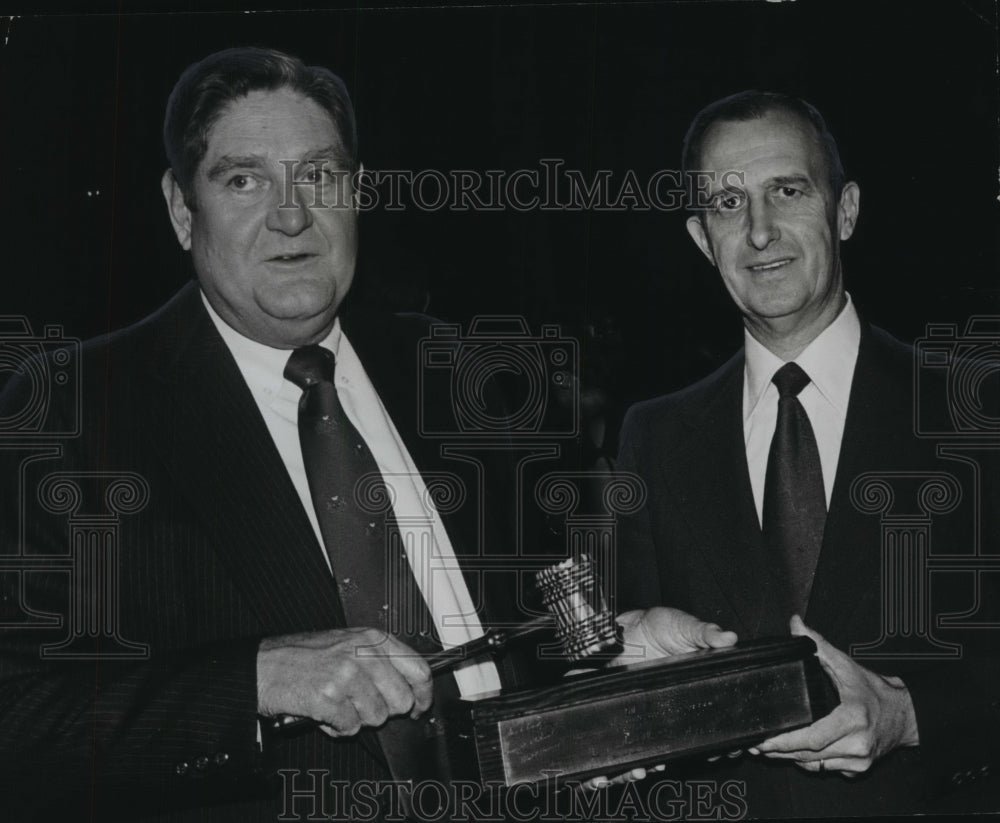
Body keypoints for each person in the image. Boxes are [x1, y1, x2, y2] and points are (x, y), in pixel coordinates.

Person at [0, 46, 567, 822]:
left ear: (358, 194)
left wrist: (621, 644)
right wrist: (255, 680)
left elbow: (538, 636)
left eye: (321, 176)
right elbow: (19, 715)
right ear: (179, 207)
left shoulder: (455, 371)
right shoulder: (72, 408)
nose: (293, 213)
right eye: (244, 179)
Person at [615, 90, 1000, 818]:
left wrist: (909, 714)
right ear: (702, 239)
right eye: (728, 204)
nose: (760, 232)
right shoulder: (654, 437)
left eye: (787, 191)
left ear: (845, 210)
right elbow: (630, 672)